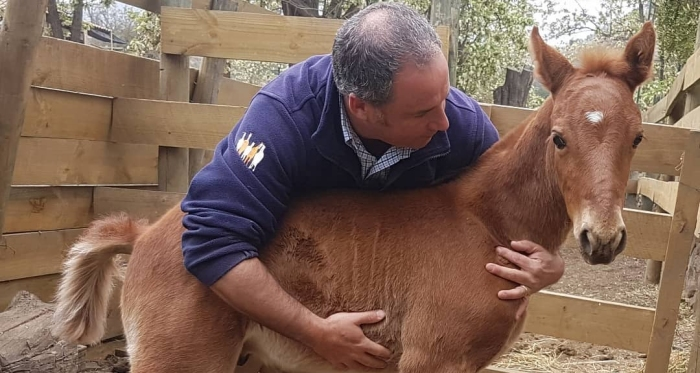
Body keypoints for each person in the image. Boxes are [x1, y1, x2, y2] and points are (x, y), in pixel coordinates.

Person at [180, 2, 564, 371]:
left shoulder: (464, 127)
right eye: (421, 112)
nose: (444, 122)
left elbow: (495, 223)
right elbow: (211, 240)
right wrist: (312, 332)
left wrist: (550, 267)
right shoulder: (283, 119)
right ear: (360, 106)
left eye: (445, 98)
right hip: (292, 286)